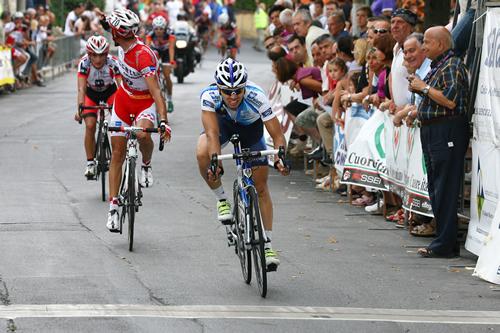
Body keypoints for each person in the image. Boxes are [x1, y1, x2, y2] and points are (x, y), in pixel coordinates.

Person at [196, 58, 289, 270]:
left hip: (251, 129)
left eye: (238, 90)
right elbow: (212, 134)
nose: (233, 96)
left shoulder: (257, 96)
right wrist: (215, 163)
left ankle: (267, 246)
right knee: (203, 152)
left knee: (261, 188)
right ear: (218, 88)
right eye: (227, 92)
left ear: (244, 86)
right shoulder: (209, 97)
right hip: (223, 126)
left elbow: (277, 134)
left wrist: (280, 156)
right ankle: (222, 200)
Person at [101, 8, 172, 232]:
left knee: (142, 134)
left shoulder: (142, 56)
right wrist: (104, 17)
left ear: (117, 34)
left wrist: (163, 120)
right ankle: (113, 208)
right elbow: (107, 23)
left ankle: (146, 164)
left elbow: (157, 92)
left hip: (144, 103)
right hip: (123, 100)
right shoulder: (123, 41)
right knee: (118, 155)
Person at [406, 27, 469, 258]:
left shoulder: (452, 65)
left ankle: (444, 243)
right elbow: (436, 97)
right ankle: (446, 241)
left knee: (445, 187)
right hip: (434, 130)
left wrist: (423, 87)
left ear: (441, 45)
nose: (424, 47)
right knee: (436, 186)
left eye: (428, 43)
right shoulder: (439, 66)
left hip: (447, 131)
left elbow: (450, 101)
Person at [75, 36, 121, 179]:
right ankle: (90, 163)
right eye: (94, 55)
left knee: (118, 122)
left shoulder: (113, 63)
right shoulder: (84, 63)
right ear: (89, 54)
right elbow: (81, 89)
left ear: (106, 54)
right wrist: (79, 109)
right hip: (91, 93)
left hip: (110, 92)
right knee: (90, 125)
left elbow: (121, 87)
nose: (98, 59)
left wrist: (122, 109)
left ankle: (117, 156)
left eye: (101, 55)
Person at [146, 16, 176, 113]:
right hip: (156, 52)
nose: (159, 31)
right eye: (156, 29)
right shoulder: (150, 35)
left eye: (161, 29)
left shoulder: (170, 34)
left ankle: (170, 99)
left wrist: (171, 62)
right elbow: (147, 50)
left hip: (167, 52)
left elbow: (171, 48)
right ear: (153, 28)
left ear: (165, 28)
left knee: (167, 75)